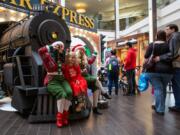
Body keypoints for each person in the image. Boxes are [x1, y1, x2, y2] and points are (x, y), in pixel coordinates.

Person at [38, 41, 72, 128]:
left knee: (69, 92)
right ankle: (59, 118)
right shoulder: (47, 57)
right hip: (52, 80)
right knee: (62, 94)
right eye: (58, 46)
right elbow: (40, 51)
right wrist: (50, 47)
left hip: (62, 79)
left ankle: (65, 116)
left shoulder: (63, 58)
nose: (59, 48)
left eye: (61, 46)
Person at [145, 30, 173, 115]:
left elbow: (146, 56)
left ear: (156, 36)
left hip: (153, 70)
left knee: (158, 89)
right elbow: (172, 55)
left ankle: (160, 109)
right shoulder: (168, 45)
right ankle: (159, 107)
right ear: (165, 36)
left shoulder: (152, 45)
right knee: (162, 89)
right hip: (168, 71)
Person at [154, 24, 180, 112]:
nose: (166, 31)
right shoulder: (174, 37)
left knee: (176, 85)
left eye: (167, 29)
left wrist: (160, 58)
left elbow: (172, 53)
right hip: (175, 65)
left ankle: (178, 105)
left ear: (173, 29)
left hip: (176, 65)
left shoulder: (174, 37)